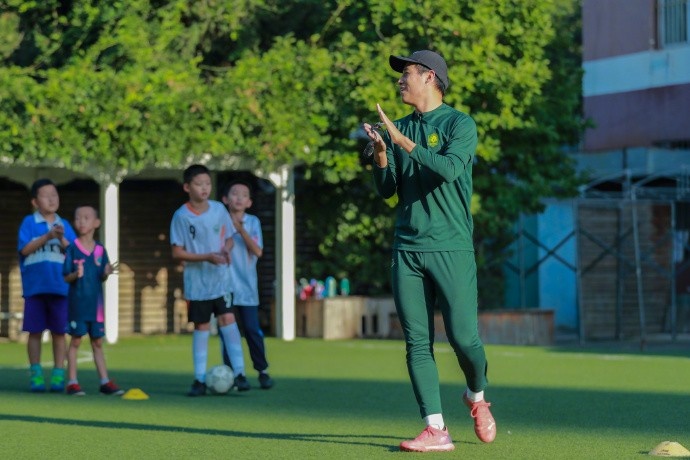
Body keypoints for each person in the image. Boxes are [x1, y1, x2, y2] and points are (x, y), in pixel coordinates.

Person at [364, 50, 496, 452]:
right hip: (407, 248)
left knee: (464, 339)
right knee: (417, 342)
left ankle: (476, 397)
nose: (400, 81)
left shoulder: (460, 124)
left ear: (430, 77)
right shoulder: (398, 127)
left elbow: (450, 169)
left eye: (406, 74)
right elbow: (387, 191)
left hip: (451, 248)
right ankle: (435, 428)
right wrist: (382, 155)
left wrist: (401, 141)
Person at [170, 164, 250, 396]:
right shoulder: (181, 216)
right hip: (197, 284)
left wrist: (225, 249)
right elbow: (177, 253)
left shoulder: (218, 210)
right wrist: (207, 257)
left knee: (228, 319)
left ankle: (240, 374)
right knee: (202, 326)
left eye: (207, 184)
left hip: (221, 280)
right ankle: (199, 379)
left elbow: (230, 239)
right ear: (187, 187)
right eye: (199, 184)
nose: (204, 188)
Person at [18, 178, 77, 393]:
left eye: (55, 194)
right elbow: (25, 250)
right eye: (46, 195)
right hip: (35, 287)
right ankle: (36, 373)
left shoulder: (65, 225)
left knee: (59, 333)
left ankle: (58, 373)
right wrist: (47, 236)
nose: (52, 199)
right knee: (34, 331)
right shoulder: (29, 223)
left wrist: (60, 239)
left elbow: (73, 252)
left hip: (60, 287)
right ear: (35, 201)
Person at [63, 205, 123, 396]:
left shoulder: (99, 250)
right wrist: (75, 274)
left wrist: (106, 273)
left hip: (96, 307)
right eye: (78, 218)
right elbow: (65, 277)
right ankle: (72, 382)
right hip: (78, 304)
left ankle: (104, 381)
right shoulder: (72, 248)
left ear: (96, 223)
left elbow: (101, 275)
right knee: (75, 341)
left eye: (86, 218)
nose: (81, 221)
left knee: (97, 342)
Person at [219, 180, 274, 389]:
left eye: (244, 195)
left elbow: (258, 251)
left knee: (252, 329)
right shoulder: (220, 221)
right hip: (225, 287)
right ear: (225, 199)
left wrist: (240, 230)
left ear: (249, 202)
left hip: (247, 288)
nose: (239, 198)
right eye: (234, 193)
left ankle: (262, 370)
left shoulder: (253, 222)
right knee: (228, 331)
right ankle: (231, 375)